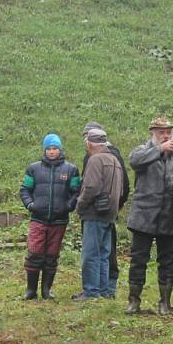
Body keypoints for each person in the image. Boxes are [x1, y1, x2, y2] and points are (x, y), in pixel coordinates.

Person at [126, 118, 173, 315]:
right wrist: (160, 150)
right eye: (161, 132)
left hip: (170, 215)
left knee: (167, 260)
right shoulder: (142, 151)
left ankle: (165, 302)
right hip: (143, 214)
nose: (166, 135)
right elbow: (134, 162)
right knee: (138, 259)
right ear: (153, 133)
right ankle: (133, 301)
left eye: (168, 132)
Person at [19, 133, 80, 300]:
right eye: (49, 149)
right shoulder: (34, 168)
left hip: (59, 220)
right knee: (34, 253)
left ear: (60, 150)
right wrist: (30, 205)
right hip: (38, 219)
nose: (52, 152)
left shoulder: (71, 170)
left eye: (55, 149)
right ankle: (31, 290)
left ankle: (47, 290)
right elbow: (25, 189)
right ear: (44, 150)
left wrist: (68, 207)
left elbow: (76, 192)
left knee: (52, 255)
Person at [72, 128, 124, 301]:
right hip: (110, 214)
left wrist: (80, 205)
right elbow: (122, 189)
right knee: (103, 254)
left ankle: (91, 291)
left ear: (89, 143)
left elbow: (91, 187)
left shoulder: (95, 160)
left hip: (94, 213)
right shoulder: (114, 160)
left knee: (90, 254)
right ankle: (103, 290)